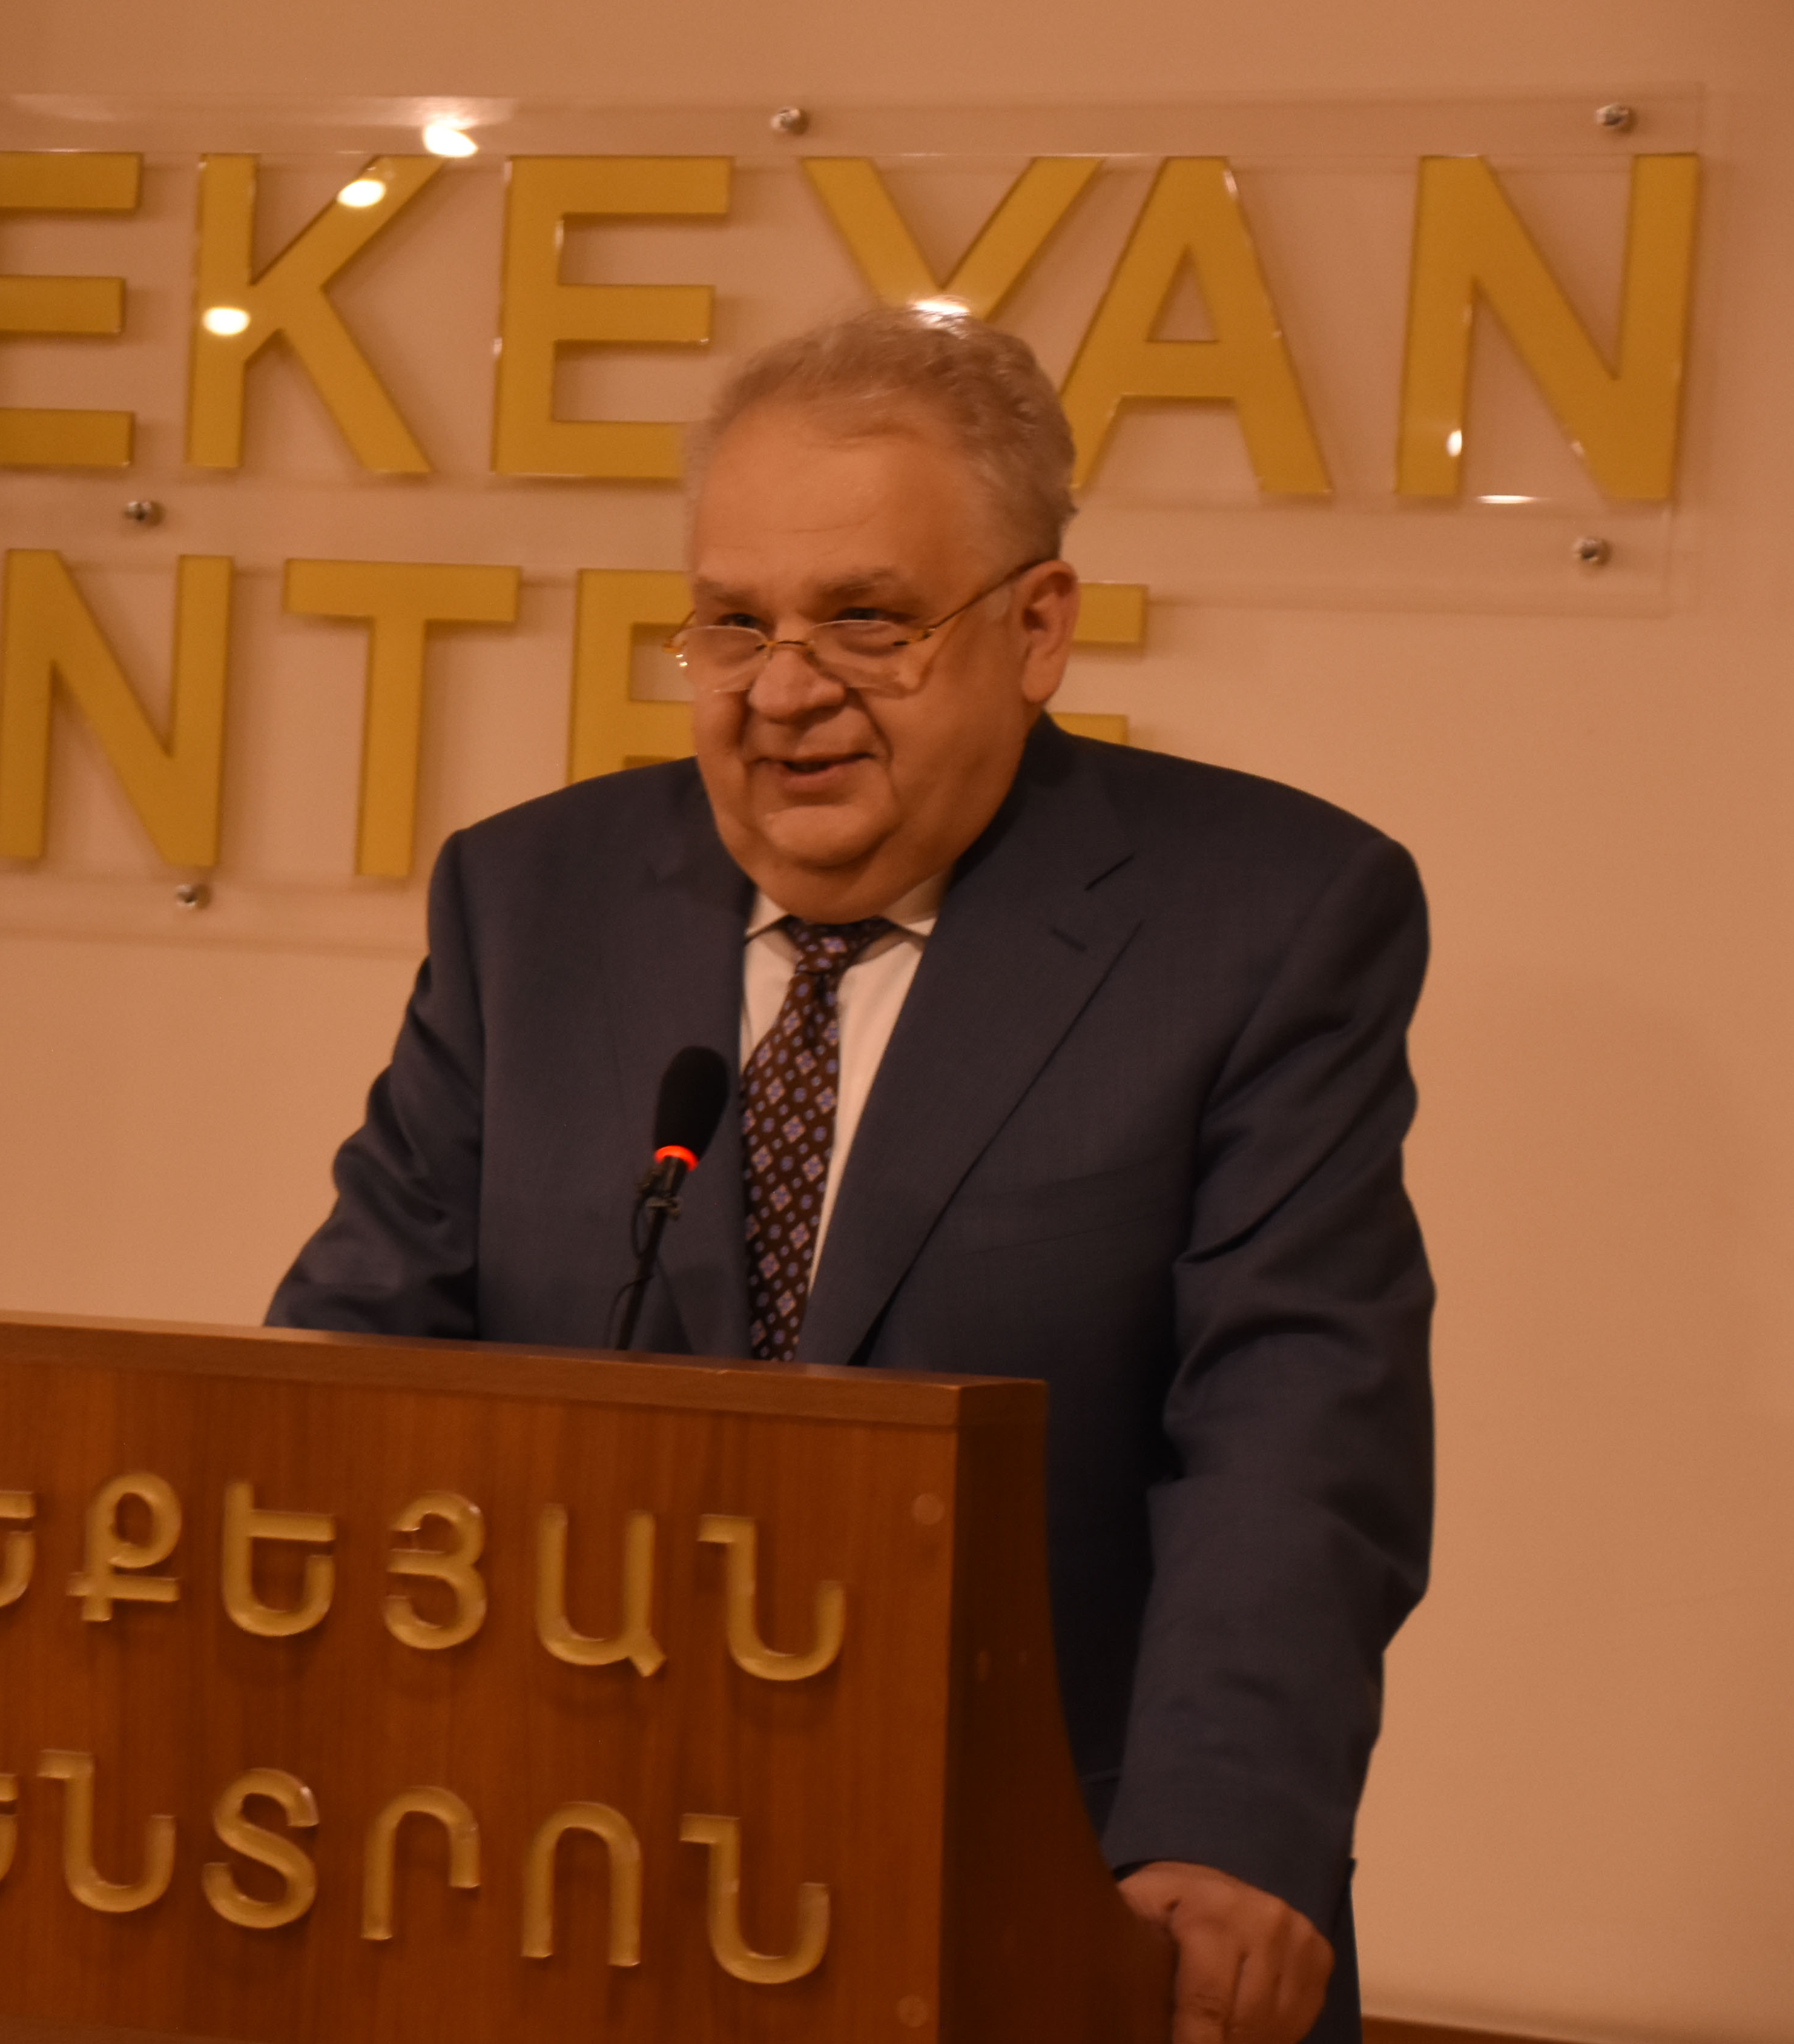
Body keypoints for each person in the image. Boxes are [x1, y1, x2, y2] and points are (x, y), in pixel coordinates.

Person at [269, 305, 1433, 2044]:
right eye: (734, 623)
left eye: (867, 621)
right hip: (558, 1884)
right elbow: (353, 1369)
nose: (782, 690)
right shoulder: (530, 903)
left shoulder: (1263, 919)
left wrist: (1225, 1828)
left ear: (1037, 628)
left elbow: (1296, 1419)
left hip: (1056, 1897)